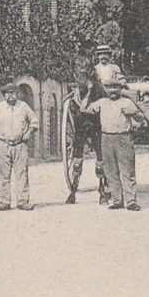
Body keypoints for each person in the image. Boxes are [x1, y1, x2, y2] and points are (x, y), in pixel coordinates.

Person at [85, 72, 147, 211]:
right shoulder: (102, 103)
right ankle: (117, 200)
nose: (112, 91)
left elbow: (140, 117)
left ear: (120, 88)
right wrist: (89, 92)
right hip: (106, 138)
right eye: (109, 88)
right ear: (105, 89)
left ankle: (131, 201)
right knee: (110, 170)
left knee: (127, 169)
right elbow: (85, 109)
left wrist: (134, 117)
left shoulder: (126, 102)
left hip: (123, 138)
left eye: (115, 87)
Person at [0, 83, 39, 211]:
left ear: (16, 94)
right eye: (7, 93)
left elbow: (34, 121)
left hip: (20, 145)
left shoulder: (23, 107)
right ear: (4, 95)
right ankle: (4, 201)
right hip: (2, 144)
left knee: (22, 173)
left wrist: (28, 132)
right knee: (2, 175)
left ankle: (23, 201)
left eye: (13, 93)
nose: (10, 95)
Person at [65, 66, 108, 205]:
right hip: (82, 124)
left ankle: (103, 188)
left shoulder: (112, 69)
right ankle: (73, 190)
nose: (103, 57)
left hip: (98, 122)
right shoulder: (80, 90)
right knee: (77, 155)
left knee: (100, 156)